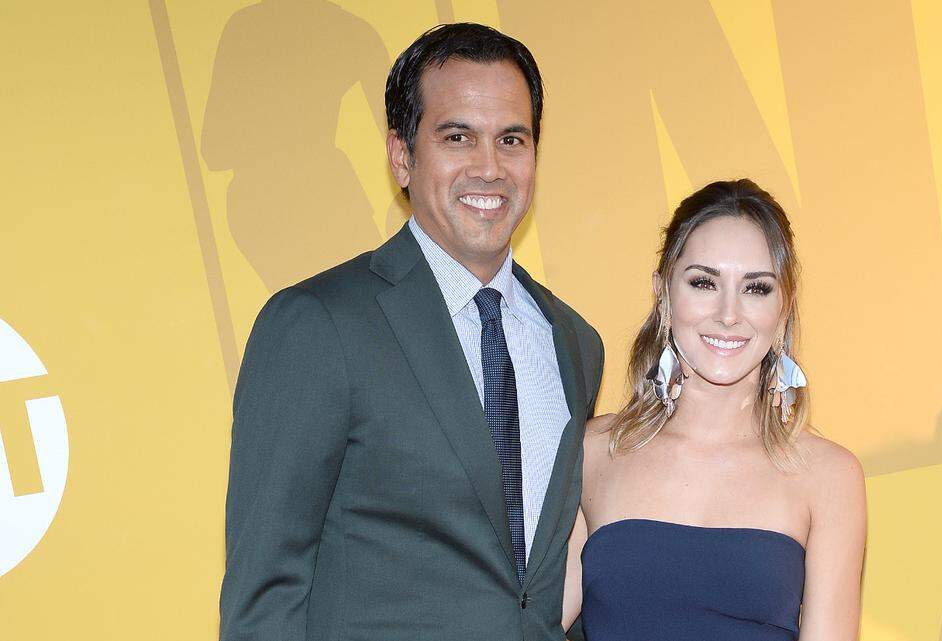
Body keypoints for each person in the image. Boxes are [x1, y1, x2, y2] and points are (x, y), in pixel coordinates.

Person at [218, 23, 604, 641]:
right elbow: (265, 592)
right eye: (458, 137)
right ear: (402, 156)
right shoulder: (317, 325)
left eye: (513, 139)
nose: (490, 167)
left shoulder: (574, 343)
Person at [561, 179, 866, 640]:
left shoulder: (828, 476)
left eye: (757, 288)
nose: (728, 313)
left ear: (783, 307)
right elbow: (533, 626)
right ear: (663, 292)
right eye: (704, 282)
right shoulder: (594, 452)